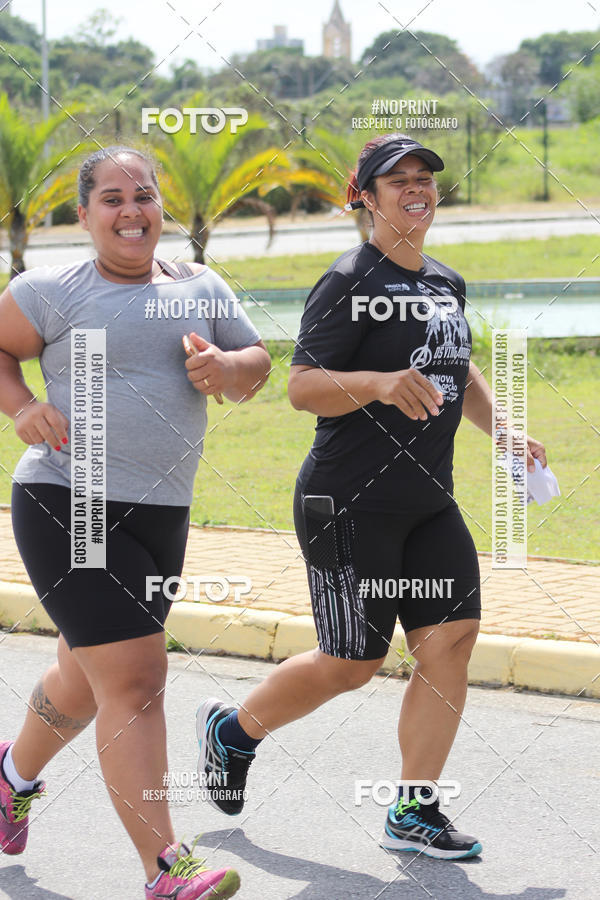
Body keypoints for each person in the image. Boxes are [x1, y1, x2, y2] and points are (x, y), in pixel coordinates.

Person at [195, 134, 548, 860]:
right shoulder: (349, 280)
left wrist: (506, 431)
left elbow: (457, 368)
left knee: (451, 640)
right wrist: (380, 384)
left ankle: (414, 809)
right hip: (346, 503)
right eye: (398, 181)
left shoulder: (444, 281)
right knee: (352, 663)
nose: (416, 189)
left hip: (429, 503)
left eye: (425, 179)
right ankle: (232, 731)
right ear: (365, 197)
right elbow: (301, 387)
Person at [0, 145, 270, 898]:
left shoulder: (198, 285)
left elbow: (256, 363)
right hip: (71, 501)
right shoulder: (47, 289)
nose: (131, 211)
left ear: (161, 207)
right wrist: (23, 406)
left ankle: (11, 776)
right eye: (112, 199)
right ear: (84, 214)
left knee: (84, 680)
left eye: (143, 195)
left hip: (162, 514)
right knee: (138, 680)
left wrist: (229, 368)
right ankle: (166, 868)